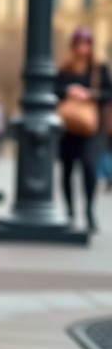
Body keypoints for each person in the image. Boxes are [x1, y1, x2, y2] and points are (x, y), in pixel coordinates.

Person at [55, 26, 112, 232]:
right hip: (68, 127)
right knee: (67, 170)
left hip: (91, 127)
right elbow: (53, 89)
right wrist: (69, 90)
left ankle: (89, 210)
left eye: (86, 43)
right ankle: (70, 212)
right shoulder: (64, 68)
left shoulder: (99, 68)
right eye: (79, 43)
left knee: (89, 167)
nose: (83, 48)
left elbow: (108, 93)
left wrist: (90, 94)